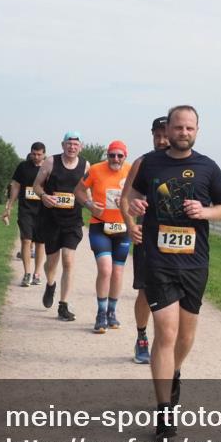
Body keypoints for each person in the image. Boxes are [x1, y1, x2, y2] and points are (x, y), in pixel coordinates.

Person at [124, 106, 221, 440]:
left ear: (197, 130)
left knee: (185, 338)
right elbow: (131, 194)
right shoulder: (150, 162)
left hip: (194, 262)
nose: (183, 132)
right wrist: (135, 206)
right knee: (166, 334)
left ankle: (173, 371)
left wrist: (205, 211)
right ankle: (164, 412)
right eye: (178, 127)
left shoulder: (208, 167)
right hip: (158, 262)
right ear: (167, 130)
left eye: (189, 128)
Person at [121, 116, 170, 364]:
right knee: (145, 290)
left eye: (165, 134)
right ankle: (141, 336)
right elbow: (125, 198)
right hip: (147, 238)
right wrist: (131, 226)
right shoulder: (143, 163)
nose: (161, 140)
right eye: (156, 135)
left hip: (177, 240)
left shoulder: (186, 163)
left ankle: (166, 342)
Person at [76, 140, 132, 334]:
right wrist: (89, 205)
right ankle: (100, 313)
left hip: (123, 228)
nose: (115, 159)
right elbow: (79, 190)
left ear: (125, 156)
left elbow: (142, 196)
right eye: (112, 155)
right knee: (105, 269)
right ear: (107, 155)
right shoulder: (96, 170)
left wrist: (129, 201)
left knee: (117, 272)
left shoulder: (133, 171)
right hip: (100, 226)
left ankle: (112, 312)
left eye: (119, 155)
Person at [33, 131, 89, 322]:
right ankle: (50, 284)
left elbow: (87, 191)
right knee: (52, 262)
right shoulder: (50, 162)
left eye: (75, 144)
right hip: (51, 220)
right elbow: (36, 185)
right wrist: (44, 196)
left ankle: (63, 305)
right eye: (69, 143)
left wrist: (92, 203)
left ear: (80, 147)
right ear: (62, 145)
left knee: (68, 260)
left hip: (73, 220)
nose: (72, 147)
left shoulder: (85, 165)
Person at [2, 144, 47, 287]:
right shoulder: (23, 167)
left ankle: (37, 273)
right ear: (30, 153)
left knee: (40, 243)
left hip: (43, 210)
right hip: (26, 209)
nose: (36, 157)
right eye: (34, 154)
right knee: (26, 240)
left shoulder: (49, 167)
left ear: (44, 154)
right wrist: (9, 205)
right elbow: (15, 186)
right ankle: (27, 273)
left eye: (39, 154)